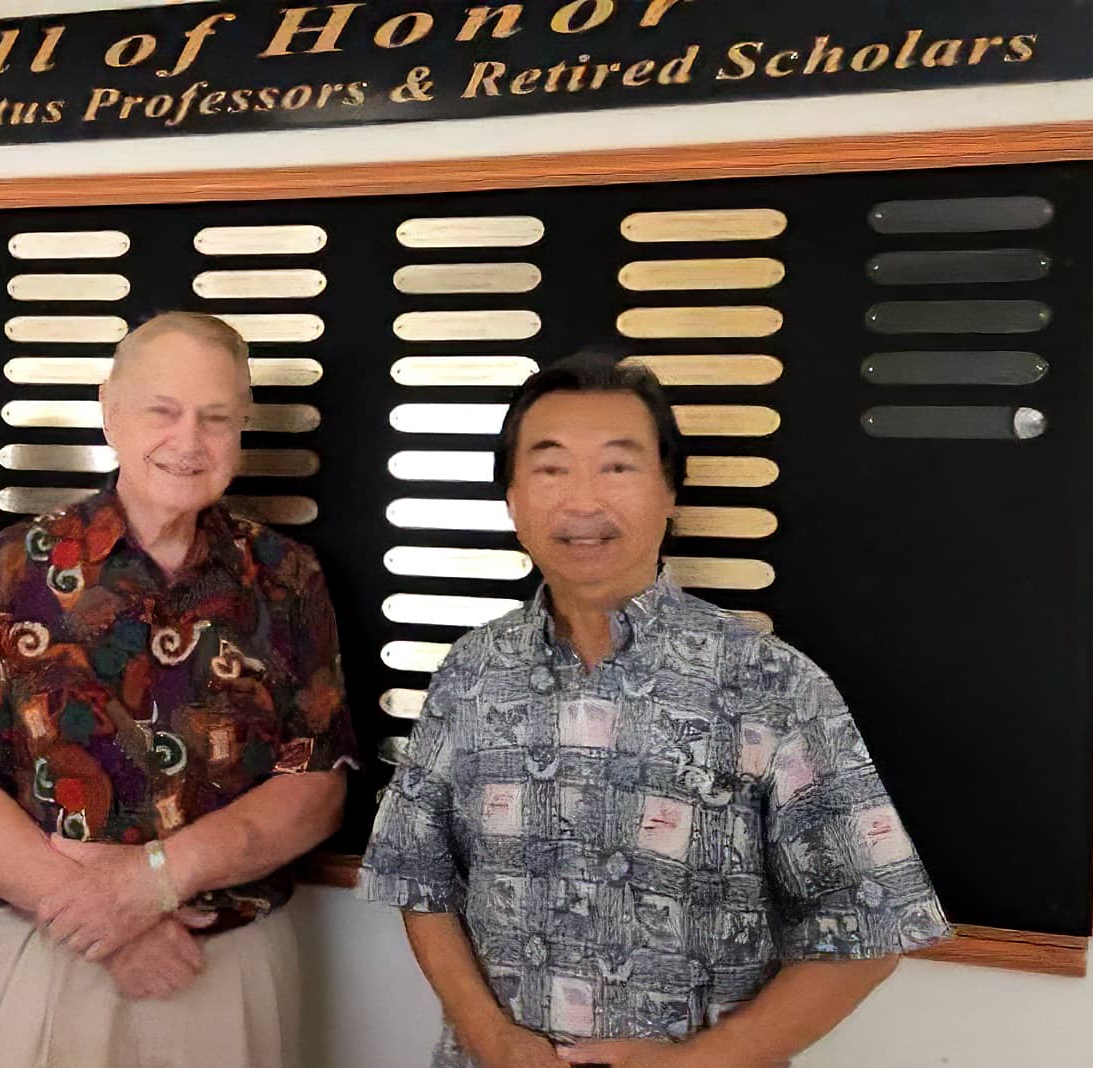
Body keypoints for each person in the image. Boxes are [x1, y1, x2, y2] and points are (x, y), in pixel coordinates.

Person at [359, 350, 951, 1068]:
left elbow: (870, 925)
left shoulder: (769, 683)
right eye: (549, 468)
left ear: (671, 489)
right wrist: (491, 1038)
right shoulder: (471, 671)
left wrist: (694, 1064)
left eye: (617, 466)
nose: (582, 501)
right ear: (511, 496)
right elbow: (416, 876)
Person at [0, 311, 357, 1068]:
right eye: (162, 410)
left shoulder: (285, 576)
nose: (188, 441)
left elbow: (316, 786)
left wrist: (154, 884)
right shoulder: (16, 567)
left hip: (225, 963)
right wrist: (105, 922)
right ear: (111, 411)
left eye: (216, 418)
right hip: (51, 953)